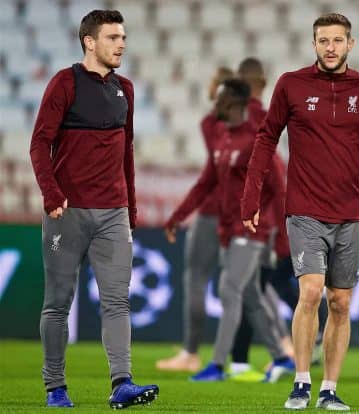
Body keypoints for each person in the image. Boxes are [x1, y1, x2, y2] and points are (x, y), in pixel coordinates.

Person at [241, 13, 359, 411]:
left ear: (351, 44)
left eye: (337, 40)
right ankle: (301, 382)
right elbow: (266, 139)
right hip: (304, 209)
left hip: (351, 210)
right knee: (311, 291)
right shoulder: (291, 85)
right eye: (323, 40)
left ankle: (329, 389)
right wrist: (251, 197)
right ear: (313, 44)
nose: (330, 47)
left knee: (341, 302)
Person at [29, 10, 158, 409]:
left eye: (123, 37)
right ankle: (55, 387)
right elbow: (39, 144)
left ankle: (122, 383)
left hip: (114, 214)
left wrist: (131, 211)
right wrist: (52, 196)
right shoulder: (64, 84)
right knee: (58, 303)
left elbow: (127, 155)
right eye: (114, 37)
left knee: (117, 301)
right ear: (89, 41)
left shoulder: (127, 90)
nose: (122, 44)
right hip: (66, 215)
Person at [187, 78, 295, 382]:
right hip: (229, 229)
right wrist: (179, 216)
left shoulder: (255, 140)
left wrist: (277, 231)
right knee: (249, 295)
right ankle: (281, 357)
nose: (215, 105)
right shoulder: (224, 140)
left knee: (229, 288)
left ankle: (218, 365)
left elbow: (278, 187)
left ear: (234, 103)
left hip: (251, 231)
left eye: (220, 99)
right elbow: (207, 183)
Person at [156, 66, 234, 373]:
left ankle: (191, 353)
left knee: (197, 280)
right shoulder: (253, 122)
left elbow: (210, 176)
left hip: (214, 212)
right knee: (248, 287)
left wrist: (181, 214)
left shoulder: (211, 123)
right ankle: (280, 346)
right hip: (243, 214)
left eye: (214, 83)